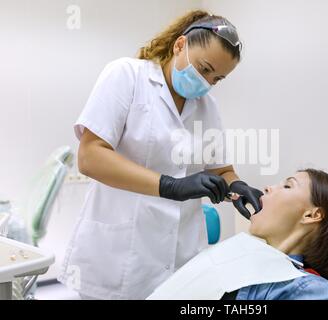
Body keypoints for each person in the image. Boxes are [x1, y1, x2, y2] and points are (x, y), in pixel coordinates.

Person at [59, 10, 263, 300]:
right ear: (180, 45)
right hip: (118, 259)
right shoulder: (127, 75)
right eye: (204, 69)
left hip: (181, 262)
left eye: (216, 79)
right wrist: (170, 186)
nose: (206, 83)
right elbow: (91, 156)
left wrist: (236, 186)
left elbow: (221, 170)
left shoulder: (208, 107)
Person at [220, 169, 328, 300]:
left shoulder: (311, 289)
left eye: (287, 186)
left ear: (311, 215)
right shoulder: (245, 259)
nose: (267, 188)